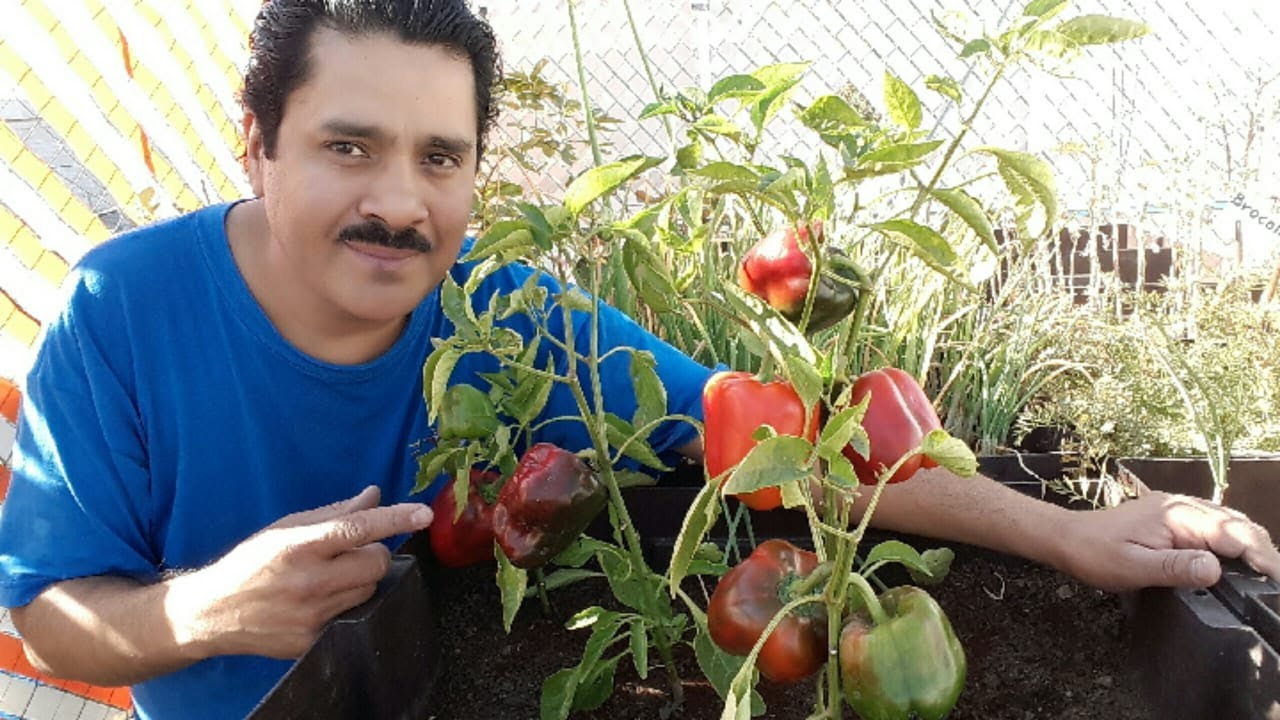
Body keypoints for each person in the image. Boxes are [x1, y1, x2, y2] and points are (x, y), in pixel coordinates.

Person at [0, 1, 1275, 719]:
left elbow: (779, 436)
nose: (400, 200)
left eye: (439, 158)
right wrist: (203, 610)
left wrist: (1067, 534)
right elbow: (47, 616)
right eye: (348, 145)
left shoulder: (507, 322)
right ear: (256, 147)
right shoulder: (125, 310)